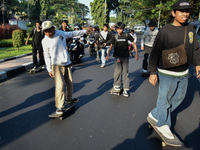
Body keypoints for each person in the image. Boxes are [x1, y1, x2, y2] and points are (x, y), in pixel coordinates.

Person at [148, 0, 200, 140]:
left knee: (179, 98)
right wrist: (152, 72)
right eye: (182, 11)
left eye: (187, 11)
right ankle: (164, 124)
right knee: (164, 99)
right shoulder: (165, 31)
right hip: (167, 72)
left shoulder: (190, 29)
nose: (185, 14)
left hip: (184, 72)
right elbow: (155, 52)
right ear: (173, 13)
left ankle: (154, 114)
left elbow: (195, 47)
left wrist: (197, 64)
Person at [41, 20, 88, 115]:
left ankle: (69, 99)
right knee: (60, 85)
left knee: (69, 82)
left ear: (53, 28)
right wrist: (49, 69)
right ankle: (59, 106)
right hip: (56, 65)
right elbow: (46, 55)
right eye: (45, 31)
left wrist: (85, 31)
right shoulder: (44, 41)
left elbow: (72, 33)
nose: (48, 33)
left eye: (49, 31)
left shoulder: (60, 33)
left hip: (66, 63)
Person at [105, 22, 139, 97]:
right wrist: (108, 54)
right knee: (118, 71)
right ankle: (117, 85)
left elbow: (134, 43)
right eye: (118, 29)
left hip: (125, 57)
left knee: (125, 73)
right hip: (117, 57)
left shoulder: (127, 35)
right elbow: (111, 46)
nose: (119, 30)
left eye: (120, 29)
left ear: (123, 29)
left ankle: (126, 89)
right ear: (116, 29)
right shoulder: (115, 36)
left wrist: (136, 53)